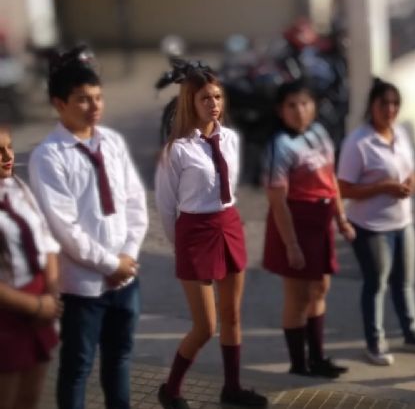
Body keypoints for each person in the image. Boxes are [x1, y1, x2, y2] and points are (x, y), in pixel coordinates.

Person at [28, 46, 148, 409]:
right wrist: (110, 264)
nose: (94, 107)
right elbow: (64, 226)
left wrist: (127, 255)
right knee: (78, 366)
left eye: (98, 98)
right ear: (59, 104)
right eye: (82, 99)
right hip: (83, 285)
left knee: (120, 357)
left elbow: (136, 203)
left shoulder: (111, 142)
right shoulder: (48, 156)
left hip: (126, 277)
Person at [154, 60, 267, 408]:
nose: (214, 104)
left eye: (217, 96)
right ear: (190, 102)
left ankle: (231, 388)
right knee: (205, 326)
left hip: (228, 224)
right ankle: (170, 389)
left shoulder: (230, 139)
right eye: (205, 98)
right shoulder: (177, 151)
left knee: (233, 316)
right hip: (194, 232)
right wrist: (182, 247)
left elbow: (229, 187)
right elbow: (165, 207)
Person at [337, 78, 415, 366]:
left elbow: (411, 170)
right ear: (371, 106)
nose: (389, 109)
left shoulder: (400, 134)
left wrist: (410, 182)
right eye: (383, 103)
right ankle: (375, 343)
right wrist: (382, 187)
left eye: (395, 103)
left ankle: (412, 333)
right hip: (370, 227)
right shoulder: (358, 142)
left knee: (405, 282)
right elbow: (343, 188)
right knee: (376, 284)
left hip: (402, 222)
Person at [262, 80, 355, 378]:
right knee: (297, 295)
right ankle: (298, 364)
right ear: (280, 111)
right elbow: (278, 200)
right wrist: (291, 244)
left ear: (313, 105)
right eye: (291, 105)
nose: (299, 110)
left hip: (320, 221)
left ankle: (317, 358)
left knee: (320, 288)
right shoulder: (280, 145)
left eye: (304, 103)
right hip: (294, 222)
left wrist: (341, 218)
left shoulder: (319, 132)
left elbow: (331, 180)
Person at [0, 126, 62, 409]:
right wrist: (35, 306)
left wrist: (51, 292)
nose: (7, 156)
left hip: (40, 301)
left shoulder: (16, 186)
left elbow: (45, 238)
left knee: (29, 398)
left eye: (9, 147)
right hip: (9, 313)